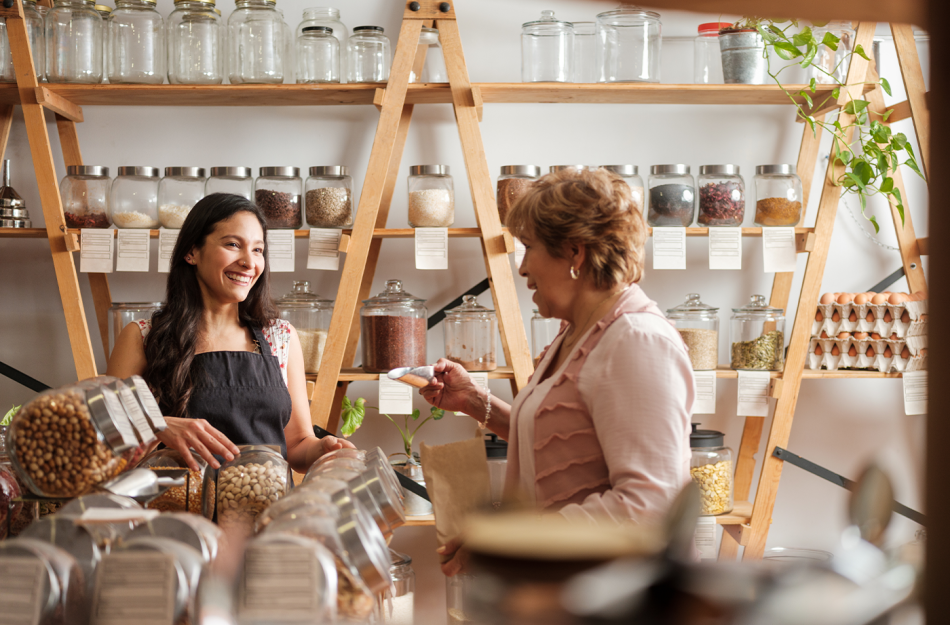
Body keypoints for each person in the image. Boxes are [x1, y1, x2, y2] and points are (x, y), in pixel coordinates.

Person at [420, 168, 694, 575]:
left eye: (528, 247)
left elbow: (650, 505)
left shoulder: (636, 340)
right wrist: (476, 403)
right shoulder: (578, 332)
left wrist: (512, 542)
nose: (523, 268)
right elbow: (561, 444)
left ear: (574, 253)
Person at [107, 193, 353, 473]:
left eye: (258, 250)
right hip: (177, 511)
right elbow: (107, 444)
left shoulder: (280, 338)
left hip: (266, 510)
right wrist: (156, 425)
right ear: (191, 252)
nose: (250, 262)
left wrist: (324, 449)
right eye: (233, 245)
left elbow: (297, 445)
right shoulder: (142, 337)